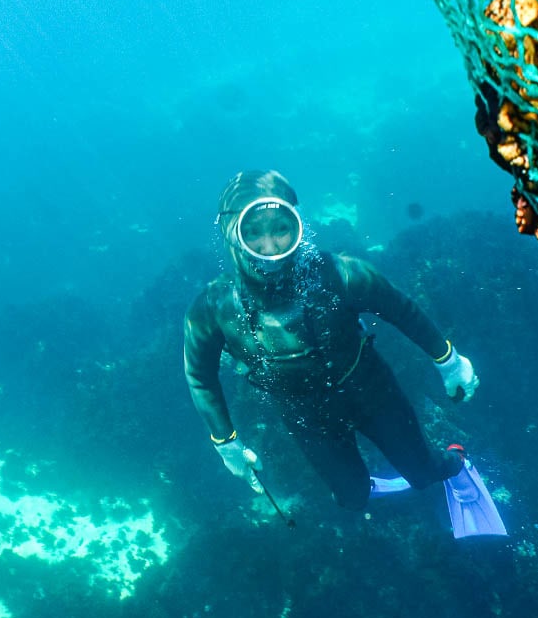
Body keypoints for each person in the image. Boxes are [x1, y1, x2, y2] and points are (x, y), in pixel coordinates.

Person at [182, 170, 506, 537]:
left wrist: (450, 363)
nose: (270, 247)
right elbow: (200, 377)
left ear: (297, 225)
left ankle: (456, 463)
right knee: (351, 498)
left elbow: (403, 310)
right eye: (253, 231)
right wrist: (226, 443)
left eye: (281, 228)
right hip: (306, 418)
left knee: (425, 473)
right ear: (230, 233)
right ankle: (392, 483)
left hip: (373, 393)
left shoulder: (340, 274)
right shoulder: (212, 308)